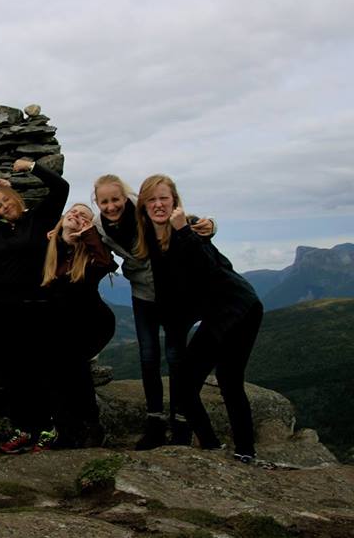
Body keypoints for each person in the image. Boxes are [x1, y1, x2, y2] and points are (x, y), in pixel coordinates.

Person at [135, 175, 263, 462]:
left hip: (239, 306)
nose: (158, 204)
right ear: (143, 205)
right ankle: (214, 447)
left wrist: (185, 230)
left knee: (227, 380)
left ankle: (243, 451)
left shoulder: (188, 227)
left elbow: (211, 268)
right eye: (151, 199)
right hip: (216, 313)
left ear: (174, 201)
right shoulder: (150, 236)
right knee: (187, 386)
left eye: (164, 198)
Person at [93, 174, 216, 449]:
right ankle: (155, 423)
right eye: (104, 202)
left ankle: (181, 422)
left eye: (116, 199)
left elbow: (186, 221)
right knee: (148, 357)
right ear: (97, 203)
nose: (111, 206)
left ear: (125, 198)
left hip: (173, 297)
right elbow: (81, 231)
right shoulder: (100, 226)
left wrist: (211, 225)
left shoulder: (144, 210)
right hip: (142, 294)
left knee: (175, 358)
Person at [0, 158, 70, 454]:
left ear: (16, 197)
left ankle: (48, 429)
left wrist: (32, 167)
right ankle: (22, 429)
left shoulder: (39, 218)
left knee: (40, 371)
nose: (4, 207)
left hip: (37, 308)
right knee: (13, 374)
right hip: (2, 312)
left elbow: (61, 188)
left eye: (6, 200)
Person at [41, 203, 117, 448]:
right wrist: (57, 237)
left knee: (73, 366)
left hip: (93, 324)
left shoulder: (89, 254)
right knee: (56, 371)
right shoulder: (52, 251)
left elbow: (105, 263)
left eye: (84, 215)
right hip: (62, 326)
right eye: (73, 211)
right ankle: (67, 429)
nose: (76, 214)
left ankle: (88, 426)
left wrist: (88, 235)